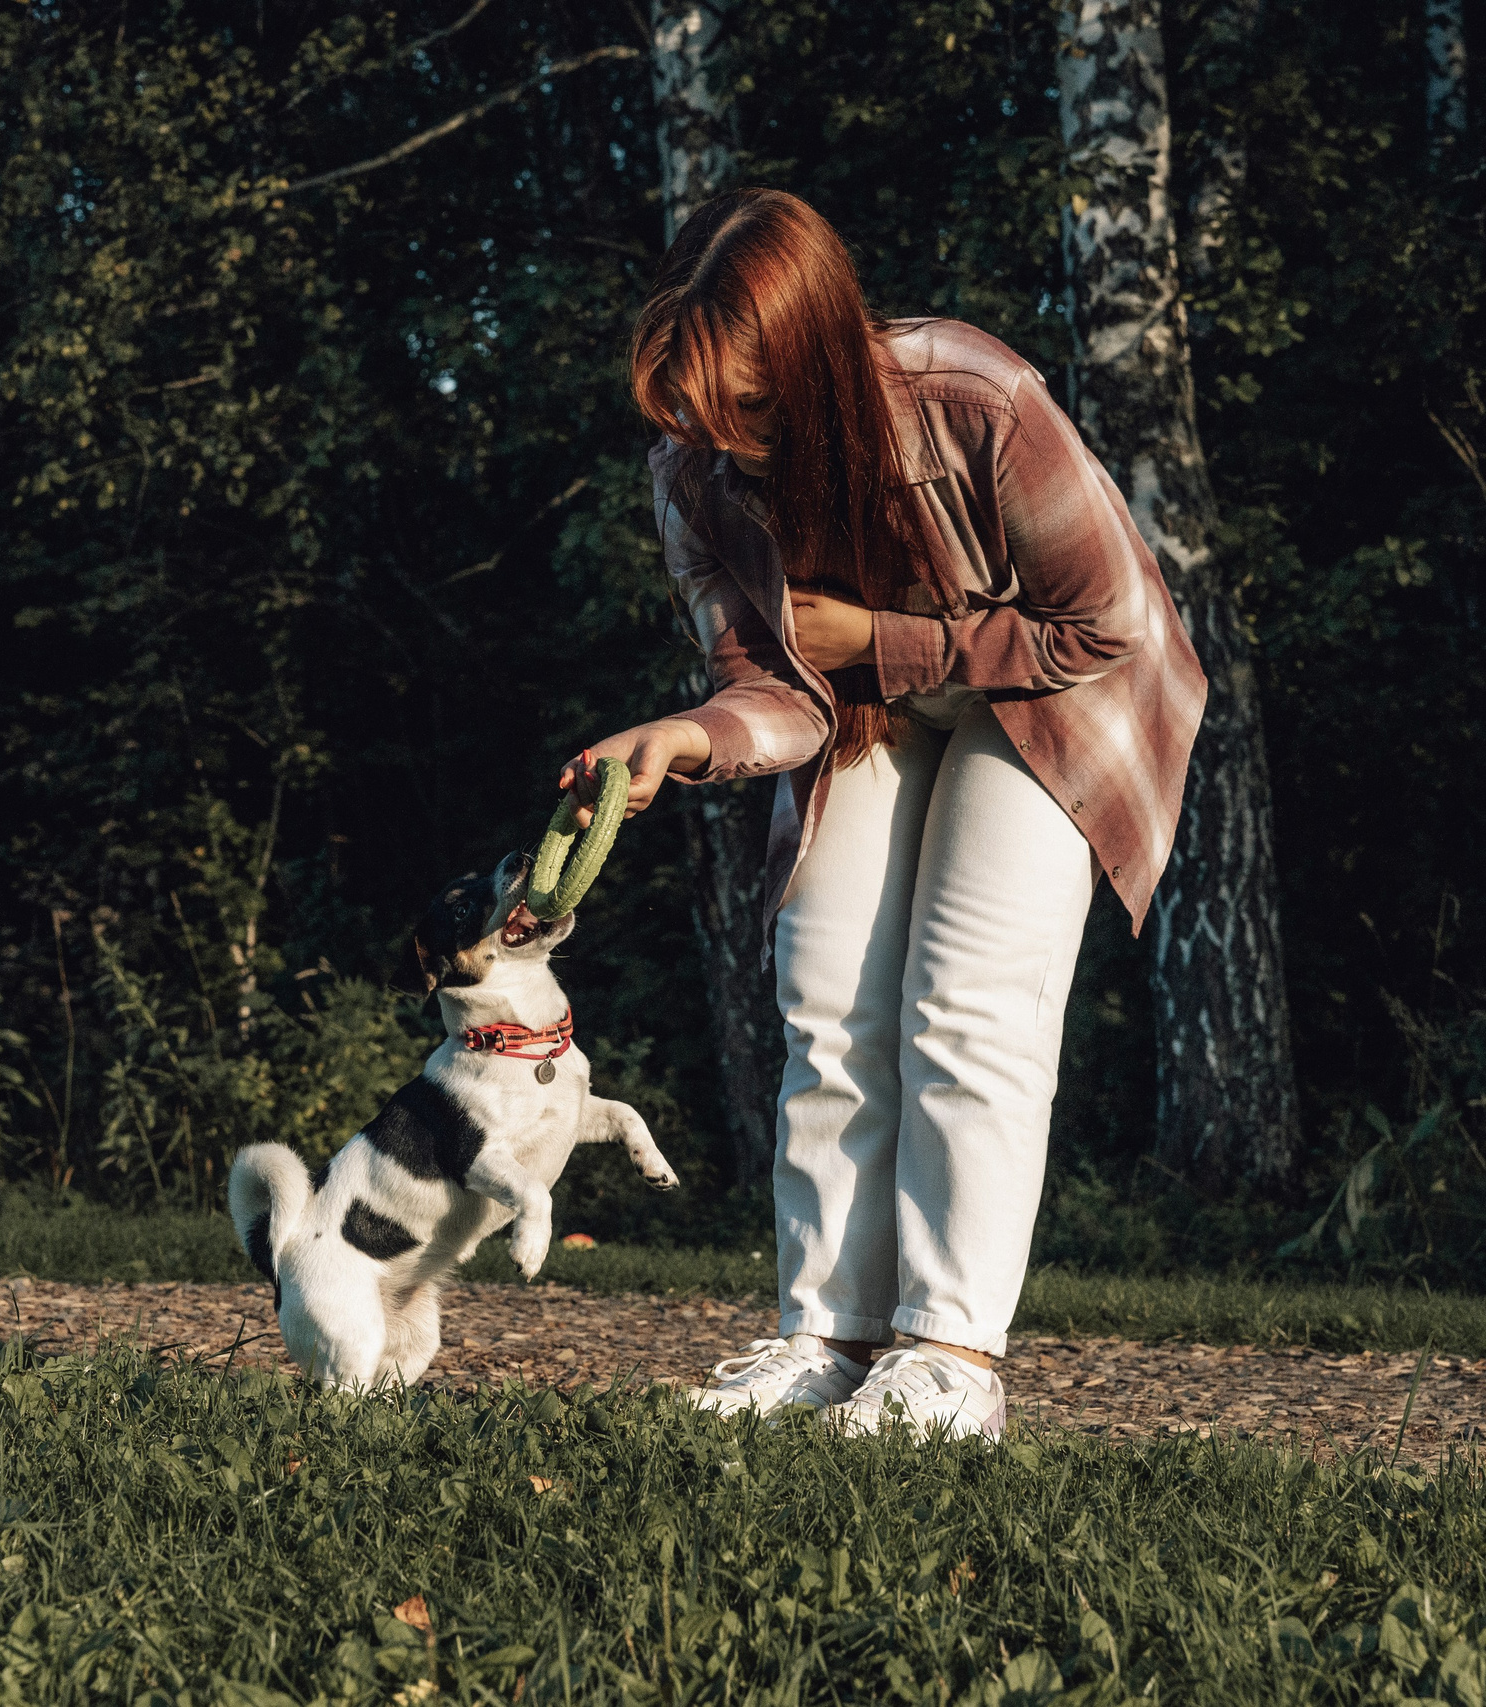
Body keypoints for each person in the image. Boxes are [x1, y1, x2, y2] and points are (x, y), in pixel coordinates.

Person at [560, 188, 1207, 1440]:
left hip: (1061, 693)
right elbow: (771, 686)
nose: (717, 437)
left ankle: (951, 1360)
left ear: (809, 356)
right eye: (688, 405)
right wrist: (684, 738)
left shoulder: (974, 396)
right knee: (824, 984)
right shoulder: (692, 476)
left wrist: (883, 639)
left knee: (965, 994)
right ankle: (828, 1336)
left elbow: (1106, 624)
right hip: (872, 706)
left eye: (741, 403)